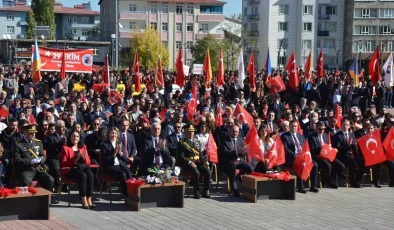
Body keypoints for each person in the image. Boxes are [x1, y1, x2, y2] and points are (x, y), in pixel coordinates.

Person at [281, 120, 319, 193]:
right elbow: (285, 149)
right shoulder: (284, 136)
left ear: (297, 127)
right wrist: (295, 155)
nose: (293, 128)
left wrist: (306, 156)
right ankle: (300, 186)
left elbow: (305, 147)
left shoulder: (301, 136)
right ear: (289, 127)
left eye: (295, 126)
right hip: (291, 158)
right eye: (292, 126)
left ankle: (313, 186)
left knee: (315, 164)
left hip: (303, 157)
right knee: (301, 163)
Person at [60, 131, 95, 209]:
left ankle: (89, 198)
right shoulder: (65, 148)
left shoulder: (83, 146)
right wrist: (76, 159)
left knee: (90, 175)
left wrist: (84, 158)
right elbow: (64, 163)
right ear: (70, 137)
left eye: (77, 136)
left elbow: (88, 161)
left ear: (79, 138)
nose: (75, 138)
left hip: (82, 167)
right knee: (83, 175)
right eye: (73, 136)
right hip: (70, 169)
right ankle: (83, 199)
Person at [14, 124, 54, 191]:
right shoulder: (18, 145)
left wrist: (40, 161)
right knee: (26, 182)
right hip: (26, 170)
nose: (33, 134)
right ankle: (30, 201)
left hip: (38, 168)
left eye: (34, 133)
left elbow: (43, 155)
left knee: (50, 180)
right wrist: (31, 161)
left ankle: (43, 199)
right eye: (31, 133)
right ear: (25, 132)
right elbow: (17, 160)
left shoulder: (38, 143)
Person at [177, 124, 211, 199]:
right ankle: (196, 192)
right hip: (187, 164)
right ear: (185, 133)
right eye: (189, 132)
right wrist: (189, 162)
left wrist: (205, 160)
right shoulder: (181, 143)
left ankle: (206, 191)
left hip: (197, 162)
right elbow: (181, 157)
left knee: (207, 171)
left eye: (192, 132)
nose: (191, 133)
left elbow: (200, 154)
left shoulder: (197, 141)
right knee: (196, 172)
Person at [219, 125, 253, 197]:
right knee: (232, 168)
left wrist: (244, 151)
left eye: (236, 132)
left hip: (239, 160)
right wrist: (236, 152)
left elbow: (244, 152)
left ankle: (247, 188)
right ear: (229, 131)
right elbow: (225, 153)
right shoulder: (224, 140)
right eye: (233, 131)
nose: (235, 133)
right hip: (228, 161)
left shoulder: (240, 140)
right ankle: (235, 190)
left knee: (250, 168)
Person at [308, 121, 344, 189]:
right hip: (317, 157)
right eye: (320, 129)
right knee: (328, 165)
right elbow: (312, 151)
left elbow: (329, 147)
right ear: (316, 128)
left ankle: (326, 178)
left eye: (323, 129)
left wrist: (334, 150)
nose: (322, 131)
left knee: (340, 166)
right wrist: (321, 148)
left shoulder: (326, 135)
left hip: (327, 156)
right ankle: (328, 181)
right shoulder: (312, 137)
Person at [333, 119, 365, 188]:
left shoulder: (351, 134)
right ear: (341, 126)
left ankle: (357, 180)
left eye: (347, 125)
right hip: (342, 155)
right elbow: (338, 148)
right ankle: (353, 182)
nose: (345, 126)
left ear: (349, 126)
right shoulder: (338, 135)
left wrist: (355, 146)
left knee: (363, 161)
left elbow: (354, 146)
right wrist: (348, 146)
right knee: (353, 163)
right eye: (343, 125)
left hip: (352, 153)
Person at [101, 127, 131, 196]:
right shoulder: (104, 144)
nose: (113, 135)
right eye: (112, 133)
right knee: (122, 174)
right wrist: (114, 155)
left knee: (128, 172)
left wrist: (120, 153)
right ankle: (125, 194)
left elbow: (125, 159)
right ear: (108, 134)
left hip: (120, 164)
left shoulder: (119, 143)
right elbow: (105, 159)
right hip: (110, 166)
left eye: (115, 133)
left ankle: (130, 191)